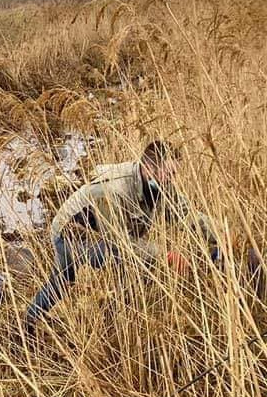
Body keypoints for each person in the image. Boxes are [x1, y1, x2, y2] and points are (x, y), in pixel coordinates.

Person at [25, 140, 217, 327]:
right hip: (72, 236)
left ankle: (29, 320)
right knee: (136, 263)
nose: (172, 179)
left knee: (63, 279)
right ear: (149, 168)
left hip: (102, 236)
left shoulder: (158, 184)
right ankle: (118, 319)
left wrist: (219, 234)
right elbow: (120, 244)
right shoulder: (114, 191)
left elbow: (184, 214)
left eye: (175, 173)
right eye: (170, 173)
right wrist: (165, 256)